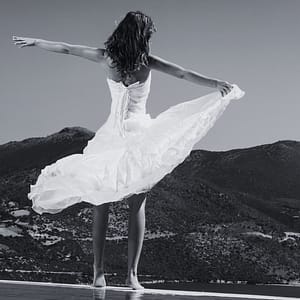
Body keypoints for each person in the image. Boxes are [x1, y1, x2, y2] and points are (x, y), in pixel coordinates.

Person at [13, 10, 244, 290]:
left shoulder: (106, 57)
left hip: (111, 135)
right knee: (137, 204)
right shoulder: (147, 62)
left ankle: (99, 273)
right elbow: (182, 73)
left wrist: (35, 41)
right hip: (138, 136)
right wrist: (215, 83)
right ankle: (131, 275)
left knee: (101, 201)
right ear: (143, 36)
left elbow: (67, 49)